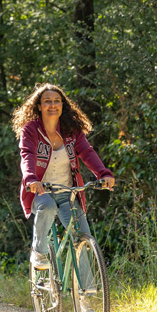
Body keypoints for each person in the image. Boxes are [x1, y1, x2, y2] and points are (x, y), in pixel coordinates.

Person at [12, 83, 114, 269]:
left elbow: (87, 152)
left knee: (83, 239)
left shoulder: (71, 131)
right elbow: (27, 154)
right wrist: (31, 179)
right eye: (47, 101)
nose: (53, 105)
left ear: (63, 106)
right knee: (48, 206)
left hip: (68, 194)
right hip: (40, 192)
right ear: (39, 106)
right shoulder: (31, 130)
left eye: (57, 101)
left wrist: (103, 173)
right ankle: (39, 253)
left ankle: (86, 294)